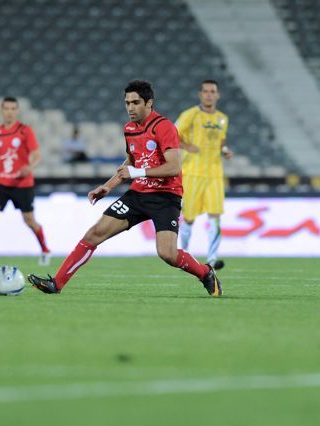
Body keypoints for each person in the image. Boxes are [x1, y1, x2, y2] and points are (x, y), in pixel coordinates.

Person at [28, 80, 222, 297]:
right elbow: (131, 160)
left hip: (166, 196)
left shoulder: (164, 126)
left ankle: (206, 273)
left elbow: (173, 167)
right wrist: (108, 186)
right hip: (138, 195)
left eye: (135, 102)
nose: (130, 107)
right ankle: (56, 283)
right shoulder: (129, 129)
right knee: (94, 234)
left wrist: (137, 173)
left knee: (167, 253)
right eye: (127, 103)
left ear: (149, 103)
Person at [0, 97, 50, 266]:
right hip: (0, 182)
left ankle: (45, 250)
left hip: (22, 183)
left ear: (17, 111)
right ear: (2, 110)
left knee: (29, 220)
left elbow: (37, 155)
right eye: (6, 108)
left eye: (13, 108)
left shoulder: (25, 131)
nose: (9, 112)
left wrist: (30, 167)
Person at [175, 80, 232, 270]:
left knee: (215, 216)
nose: (209, 94)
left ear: (217, 95)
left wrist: (225, 151)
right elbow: (171, 135)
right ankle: (183, 255)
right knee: (189, 217)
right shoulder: (190, 115)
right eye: (206, 91)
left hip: (215, 174)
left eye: (212, 91)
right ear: (200, 94)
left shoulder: (222, 119)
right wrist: (186, 146)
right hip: (192, 173)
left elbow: (221, 141)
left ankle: (213, 258)